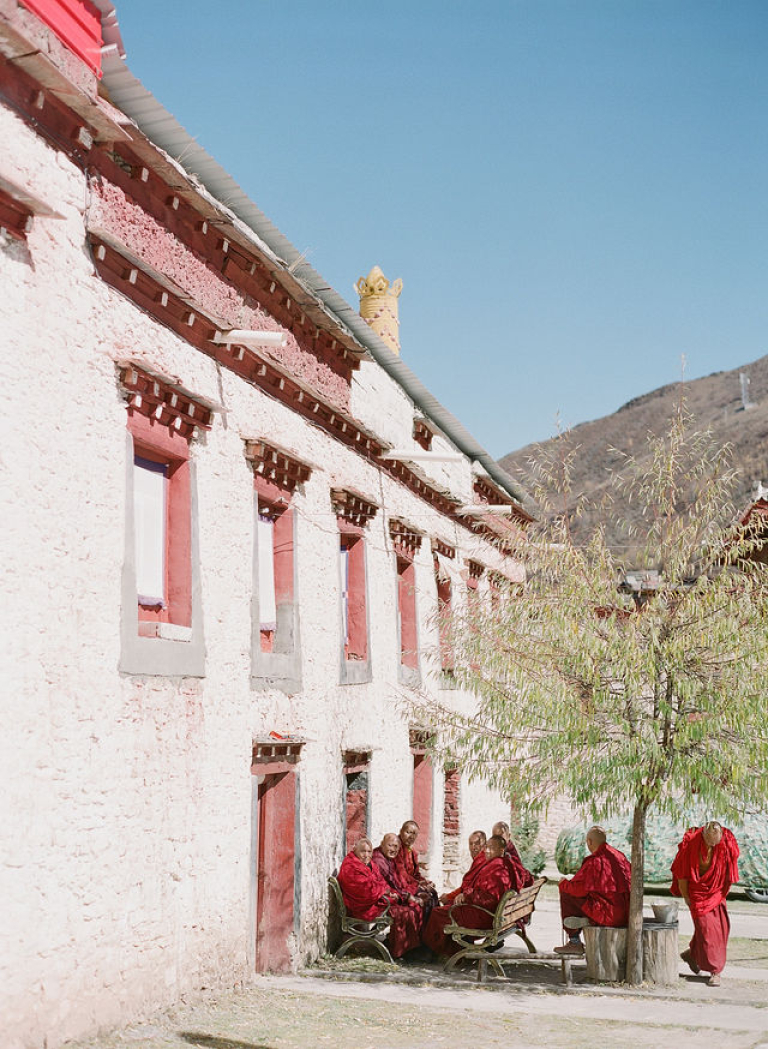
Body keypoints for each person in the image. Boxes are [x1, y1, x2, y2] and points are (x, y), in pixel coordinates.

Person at [671, 820, 739, 987]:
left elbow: (728, 869)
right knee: (707, 931)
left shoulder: (725, 842)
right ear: (703, 835)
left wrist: (722, 891)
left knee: (720, 929)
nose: (713, 846)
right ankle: (715, 971)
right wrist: (686, 897)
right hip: (697, 892)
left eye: (716, 842)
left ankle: (692, 955)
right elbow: (682, 873)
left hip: (715, 891)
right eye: (710, 842)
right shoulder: (692, 843)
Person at [422, 834, 515, 956]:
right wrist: (465, 894)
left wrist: (467, 896)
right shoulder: (501, 864)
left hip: (484, 917)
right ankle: (452, 950)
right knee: (448, 906)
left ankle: (429, 951)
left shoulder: (497, 868)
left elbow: (489, 898)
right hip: (491, 914)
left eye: (491, 848)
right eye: (487, 847)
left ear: (501, 850)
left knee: (437, 913)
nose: (487, 851)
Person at [337, 837, 423, 959]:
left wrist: (389, 892)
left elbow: (381, 881)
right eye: (363, 851)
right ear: (355, 850)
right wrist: (385, 892)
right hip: (362, 908)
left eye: (369, 851)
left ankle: (406, 947)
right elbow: (364, 891)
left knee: (410, 909)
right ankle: (398, 951)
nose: (366, 855)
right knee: (402, 912)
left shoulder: (369, 864)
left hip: (374, 902)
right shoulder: (350, 866)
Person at [554, 825, 631, 955]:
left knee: (567, 892)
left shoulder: (595, 861)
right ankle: (587, 920)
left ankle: (574, 941)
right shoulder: (619, 856)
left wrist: (563, 884)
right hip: (626, 914)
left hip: (607, 914)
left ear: (589, 842)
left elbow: (579, 890)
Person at [371, 833, 425, 955]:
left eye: (396, 847)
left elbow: (396, 882)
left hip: (389, 895)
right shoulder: (378, 860)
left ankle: (412, 945)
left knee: (418, 904)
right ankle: (400, 949)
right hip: (378, 901)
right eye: (390, 845)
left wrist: (408, 894)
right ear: (382, 844)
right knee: (409, 911)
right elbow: (386, 885)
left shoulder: (388, 859)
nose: (393, 849)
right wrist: (407, 897)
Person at [393, 820, 439, 915]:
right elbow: (401, 873)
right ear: (401, 831)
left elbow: (416, 874)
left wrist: (425, 882)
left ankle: (431, 923)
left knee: (432, 892)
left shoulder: (412, 852)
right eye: (408, 832)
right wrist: (418, 884)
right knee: (427, 896)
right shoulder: (395, 848)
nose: (411, 836)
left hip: (411, 884)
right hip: (400, 886)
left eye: (414, 834)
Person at [439, 830, 487, 904]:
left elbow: (465, 889)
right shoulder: (479, 860)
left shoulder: (482, 860)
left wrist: (448, 897)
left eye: (477, 844)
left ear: (484, 846)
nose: (473, 847)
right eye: (471, 844)